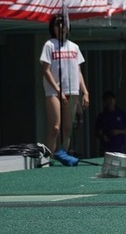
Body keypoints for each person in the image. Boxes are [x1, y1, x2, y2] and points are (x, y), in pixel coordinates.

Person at [40, 14, 90, 165]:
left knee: (67, 129)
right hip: (54, 92)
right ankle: (47, 160)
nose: (60, 28)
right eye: (57, 25)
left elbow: (78, 71)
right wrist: (58, 90)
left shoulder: (74, 47)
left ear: (68, 27)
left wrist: (85, 91)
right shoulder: (49, 45)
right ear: (52, 28)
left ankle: (63, 156)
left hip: (72, 90)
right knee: (55, 127)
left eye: (63, 25)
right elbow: (46, 70)